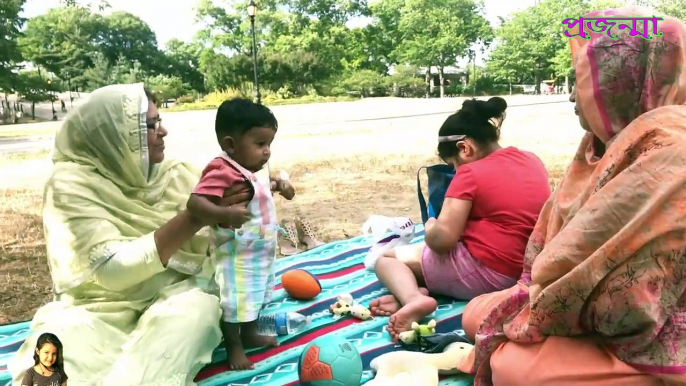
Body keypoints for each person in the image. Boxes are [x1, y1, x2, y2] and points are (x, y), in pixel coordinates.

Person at [454, 7, 686, 386]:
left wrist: (540, 306)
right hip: (580, 315)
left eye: (583, 79)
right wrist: (535, 297)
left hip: (648, 337)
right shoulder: (603, 146)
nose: (572, 97)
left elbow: (630, 306)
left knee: (516, 370)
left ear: (622, 81)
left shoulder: (670, 149)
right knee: (477, 315)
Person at [9, 83, 250, 386]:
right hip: (96, 307)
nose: (163, 132)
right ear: (114, 135)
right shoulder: (70, 184)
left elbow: (229, 231)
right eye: (150, 125)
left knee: (190, 321)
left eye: (158, 121)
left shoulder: (176, 174)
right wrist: (192, 219)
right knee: (55, 356)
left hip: (179, 295)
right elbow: (112, 271)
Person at [370, 97, 551, 339]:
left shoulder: (469, 174)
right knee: (416, 266)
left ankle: (414, 299)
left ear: (465, 148)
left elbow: (441, 242)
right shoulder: (531, 160)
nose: (455, 172)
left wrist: (431, 224)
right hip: (528, 269)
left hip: (491, 272)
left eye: (452, 165)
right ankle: (418, 291)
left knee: (387, 260)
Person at [187, 98, 295, 370]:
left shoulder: (249, 169)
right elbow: (195, 202)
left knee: (254, 296)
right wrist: (224, 215)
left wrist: (280, 186)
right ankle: (234, 345)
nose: (267, 152)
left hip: (258, 251)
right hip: (235, 256)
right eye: (260, 144)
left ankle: (249, 333)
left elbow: (255, 191)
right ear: (230, 145)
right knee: (235, 302)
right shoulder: (221, 169)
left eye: (269, 144)